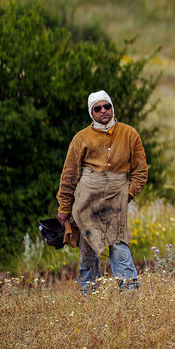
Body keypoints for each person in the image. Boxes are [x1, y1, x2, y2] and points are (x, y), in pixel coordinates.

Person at [56, 90, 148, 293]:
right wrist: (64, 208)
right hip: (86, 202)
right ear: (91, 113)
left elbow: (141, 171)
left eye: (107, 106)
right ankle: (88, 295)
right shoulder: (81, 138)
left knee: (118, 245)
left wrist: (128, 195)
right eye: (98, 108)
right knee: (87, 250)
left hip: (116, 201)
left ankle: (130, 292)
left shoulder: (130, 134)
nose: (104, 111)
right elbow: (69, 176)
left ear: (113, 108)